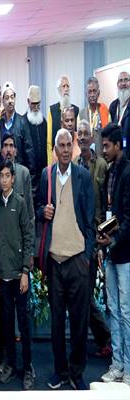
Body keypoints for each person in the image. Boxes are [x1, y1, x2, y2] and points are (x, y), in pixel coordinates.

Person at [37, 129, 95, 390]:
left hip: (78, 260)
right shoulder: (46, 175)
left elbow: (91, 220)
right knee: (57, 322)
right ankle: (60, 372)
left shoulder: (83, 176)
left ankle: (76, 372)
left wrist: (87, 256)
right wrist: (43, 211)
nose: (64, 149)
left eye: (68, 145)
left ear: (73, 148)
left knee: (80, 322)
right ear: (55, 149)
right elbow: (38, 208)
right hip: (54, 261)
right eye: (60, 145)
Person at [0, 160, 35, 390]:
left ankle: (27, 367)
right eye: (2, 176)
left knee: (24, 324)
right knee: (7, 323)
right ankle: (10, 363)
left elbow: (28, 236)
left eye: (8, 175)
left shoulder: (20, 203)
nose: (4, 179)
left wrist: (26, 271)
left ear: (13, 178)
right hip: (4, 275)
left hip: (20, 275)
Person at [74, 120, 112, 358]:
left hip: (99, 239)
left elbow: (109, 205)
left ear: (92, 137)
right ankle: (105, 339)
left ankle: (107, 338)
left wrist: (102, 239)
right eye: (80, 133)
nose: (83, 137)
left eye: (86, 133)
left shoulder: (101, 166)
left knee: (89, 295)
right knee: (83, 295)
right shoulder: (74, 165)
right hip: (77, 237)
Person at [98, 123, 130, 385]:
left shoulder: (128, 172)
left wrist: (114, 240)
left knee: (127, 312)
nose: (104, 150)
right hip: (110, 251)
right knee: (113, 311)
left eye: (107, 146)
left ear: (118, 145)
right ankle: (117, 364)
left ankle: (129, 368)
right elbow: (110, 212)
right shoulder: (110, 171)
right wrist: (103, 244)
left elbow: (129, 218)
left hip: (125, 254)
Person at [0, 134, 35, 231]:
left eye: (11, 145)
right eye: (5, 145)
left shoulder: (24, 173)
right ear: (1, 151)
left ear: (16, 151)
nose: (8, 150)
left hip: (20, 231)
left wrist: (30, 236)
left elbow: (30, 210)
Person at [0, 83, 35, 176]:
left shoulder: (22, 122)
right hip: (3, 175)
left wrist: (29, 176)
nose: (10, 101)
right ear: (2, 101)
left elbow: (29, 151)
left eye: (12, 97)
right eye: (7, 98)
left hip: (19, 173)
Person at [47, 75, 79, 163]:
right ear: (59, 90)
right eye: (63, 86)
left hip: (74, 158)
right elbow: (49, 143)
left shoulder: (76, 110)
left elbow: (78, 137)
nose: (66, 89)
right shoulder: (52, 110)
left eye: (68, 86)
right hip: (56, 157)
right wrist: (50, 165)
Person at [24, 85, 48, 193]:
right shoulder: (22, 122)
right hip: (28, 175)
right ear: (28, 102)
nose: (36, 107)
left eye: (38, 103)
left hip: (43, 174)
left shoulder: (44, 122)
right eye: (33, 103)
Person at [79, 77, 109, 157]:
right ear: (86, 94)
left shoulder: (105, 111)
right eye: (90, 92)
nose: (92, 95)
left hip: (103, 159)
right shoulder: (80, 114)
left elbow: (110, 138)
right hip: (86, 159)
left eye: (94, 91)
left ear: (98, 93)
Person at [109, 71, 130, 151]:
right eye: (120, 81)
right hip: (115, 153)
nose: (123, 83)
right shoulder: (113, 106)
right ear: (117, 85)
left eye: (126, 80)